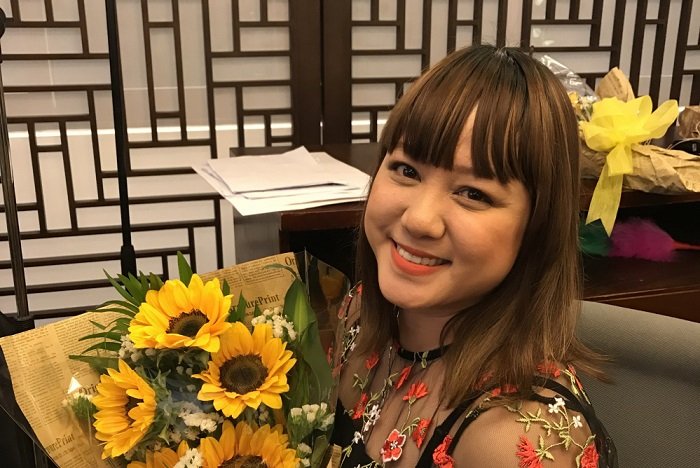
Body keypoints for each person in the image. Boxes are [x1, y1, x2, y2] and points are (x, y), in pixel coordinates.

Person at [330, 44, 616, 467]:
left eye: (473, 194)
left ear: (536, 226)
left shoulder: (514, 438)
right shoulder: (358, 313)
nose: (420, 219)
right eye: (407, 170)